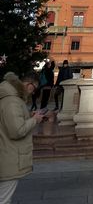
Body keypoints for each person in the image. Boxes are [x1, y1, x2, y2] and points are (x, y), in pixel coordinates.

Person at [0, 71, 44, 204]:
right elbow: (17, 131)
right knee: (4, 198)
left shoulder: (7, 97)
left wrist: (28, 116)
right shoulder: (12, 101)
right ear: (29, 84)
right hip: (10, 157)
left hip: (5, 153)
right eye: (34, 88)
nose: (32, 92)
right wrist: (35, 120)